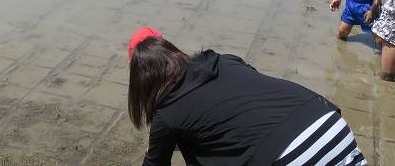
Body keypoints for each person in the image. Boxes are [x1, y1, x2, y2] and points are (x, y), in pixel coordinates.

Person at [127, 27, 367, 166]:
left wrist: (155, 148)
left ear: (141, 78)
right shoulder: (224, 60)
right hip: (331, 124)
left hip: (293, 156)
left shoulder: (167, 115)